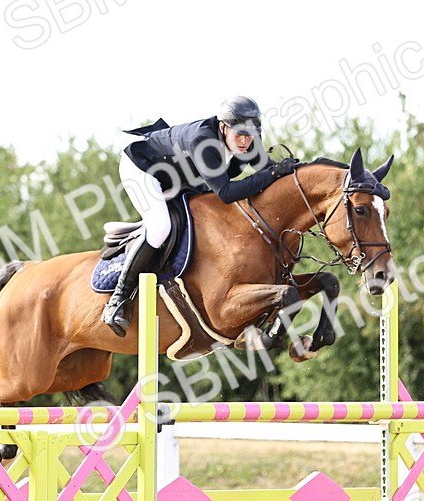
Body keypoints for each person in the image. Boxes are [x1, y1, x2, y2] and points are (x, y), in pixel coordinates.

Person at [102, 96, 298, 336]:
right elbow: (227, 193)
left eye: (250, 135)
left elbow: (269, 171)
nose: (245, 142)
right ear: (223, 127)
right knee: (160, 227)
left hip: (180, 176)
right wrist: (274, 173)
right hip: (143, 170)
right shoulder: (203, 141)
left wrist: (298, 172)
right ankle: (118, 298)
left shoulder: (247, 139)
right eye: (240, 135)